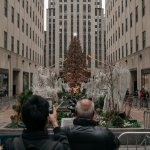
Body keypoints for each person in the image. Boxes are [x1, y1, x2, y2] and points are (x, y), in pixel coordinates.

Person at [4, 95, 70, 150]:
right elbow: (66, 147)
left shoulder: (10, 145)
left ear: (22, 119)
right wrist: (55, 124)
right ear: (47, 120)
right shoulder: (57, 148)